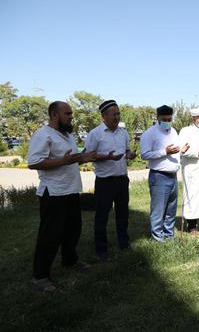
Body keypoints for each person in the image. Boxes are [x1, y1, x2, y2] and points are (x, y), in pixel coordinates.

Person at [27, 101, 96, 291]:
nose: (71, 116)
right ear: (55, 115)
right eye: (67, 113)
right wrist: (63, 161)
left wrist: (83, 158)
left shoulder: (67, 135)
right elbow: (33, 163)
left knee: (73, 230)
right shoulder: (43, 134)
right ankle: (40, 276)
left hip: (71, 190)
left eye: (71, 113)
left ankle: (70, 261)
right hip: (53, 192)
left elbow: (69, 160)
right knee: (50, 235)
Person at [85, 100, 136, 261]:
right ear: (103, 116)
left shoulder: (123, 133)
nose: (117, 116)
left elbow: (127, 151)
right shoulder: (95, 134)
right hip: (105, 181)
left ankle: (124, 243)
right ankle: (101, 250)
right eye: (113, 113)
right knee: (102, 216)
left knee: (123, 214)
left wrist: (130, 155)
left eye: (118, 113)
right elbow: (89, 155)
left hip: (122, 180)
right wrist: (107, 157)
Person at [140, 105, 185, 242]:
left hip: (172, 176)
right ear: (158, 117)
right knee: (158, 210)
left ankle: (168, 235)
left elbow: (175, 150)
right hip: (159, 176)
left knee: (171, 209)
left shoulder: (173, 132)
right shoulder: (150, 133)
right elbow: (144, 154)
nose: (167, 121)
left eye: (169, 119)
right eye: (164, 119)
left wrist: (182, 150)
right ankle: (157, 238)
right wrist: (165, 152)